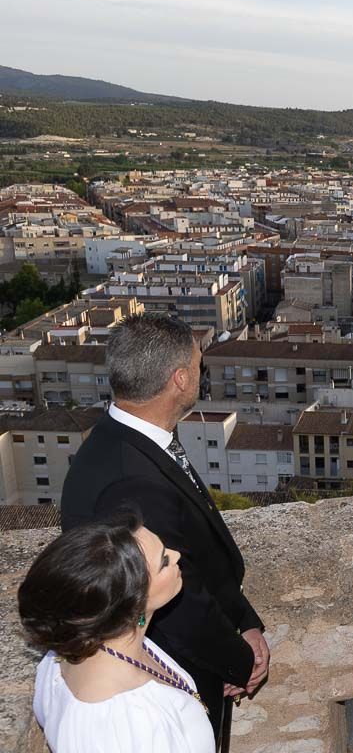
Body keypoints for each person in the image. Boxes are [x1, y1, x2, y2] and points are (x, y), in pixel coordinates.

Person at [60, 313, 268, 743]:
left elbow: (201, 551)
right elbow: (177, 602)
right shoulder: (131, 479)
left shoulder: (135, 438)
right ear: (178, 379)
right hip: (171, 680)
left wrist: (246, 620)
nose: (200, 374)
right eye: (197, 366)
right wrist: (238, 661)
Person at [18, 513, 214, 753]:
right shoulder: (120, 724)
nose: (176, 555)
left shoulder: (99, 642)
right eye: (163, 562)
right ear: (131, 603)